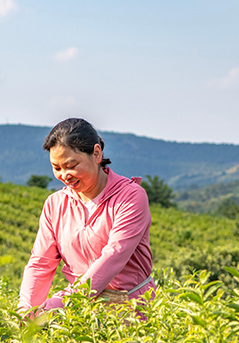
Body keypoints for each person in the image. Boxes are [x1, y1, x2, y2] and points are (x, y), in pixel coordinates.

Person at [19, 118, 155, 315]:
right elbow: (41, 263)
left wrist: (64, 303)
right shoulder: (55, 204)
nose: (64, 175)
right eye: (57, 168)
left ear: (97, 154)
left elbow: (114, 255)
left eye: (71, 165)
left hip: (131, 309)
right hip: (82, 310)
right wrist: (25, 313)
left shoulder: (131, 197)